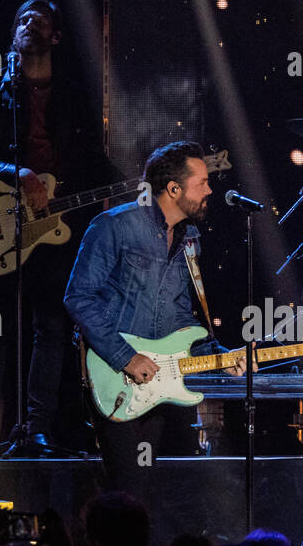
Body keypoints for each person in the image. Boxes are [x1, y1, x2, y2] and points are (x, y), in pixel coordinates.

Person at [0, 0, 117, 457]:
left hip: (56, 228)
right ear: (14, 34)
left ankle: (37, 427)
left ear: (55, 37)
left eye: (40, 20)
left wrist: (144, 181)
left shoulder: (71, 94)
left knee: (51, 327)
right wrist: (19, 174)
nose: (29, 24)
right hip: (3, 221)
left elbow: (93, 160)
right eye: (22, 18)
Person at [64, 141, 242, 496]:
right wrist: (125, 357)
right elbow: (79, 297)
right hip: (115, 374)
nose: (210, 189)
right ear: (174, 189)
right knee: (129, 487)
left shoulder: (189, 238)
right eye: (202, 183)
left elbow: (179, 316)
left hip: (159, 382)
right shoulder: (114, 225)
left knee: (145, 490)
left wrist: (219, 355)